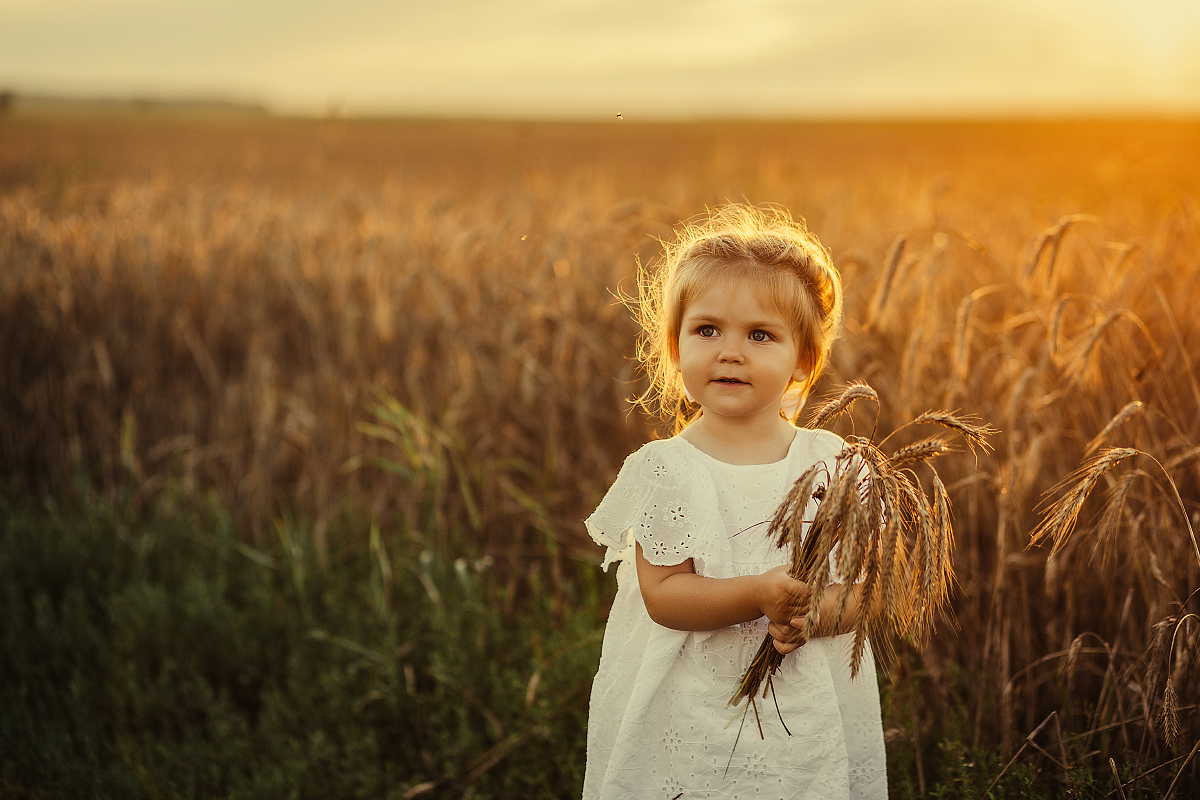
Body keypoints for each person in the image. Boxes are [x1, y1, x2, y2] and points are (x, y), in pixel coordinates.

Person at [583, 204, 886, 800]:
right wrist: (758, 595)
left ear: (804, 357)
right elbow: (665, 595)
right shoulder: (664, 470)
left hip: (803, 702)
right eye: (706, 330)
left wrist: (811, 615)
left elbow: (864, 588)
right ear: (673, 347)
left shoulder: (834, 464)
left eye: (760, 335)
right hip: (690, 709)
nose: (730, 351)